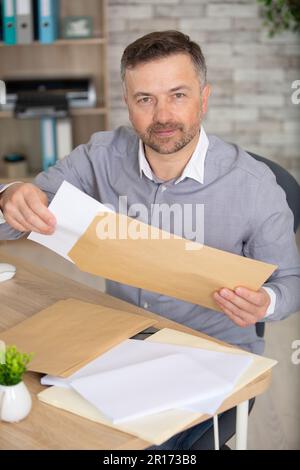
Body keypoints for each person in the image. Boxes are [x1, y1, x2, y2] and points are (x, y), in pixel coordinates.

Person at [0, 31, 299, 449]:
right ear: (128, 103)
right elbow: (15, 222)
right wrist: (10, 196)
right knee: (35, 417)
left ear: (204, 98)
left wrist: (266, 301)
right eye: (145, 99)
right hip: (120, 340)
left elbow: (291, 283)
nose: (162, 115)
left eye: (178, 95)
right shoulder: (99, 157)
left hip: (212, 355)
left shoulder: (255, 187)